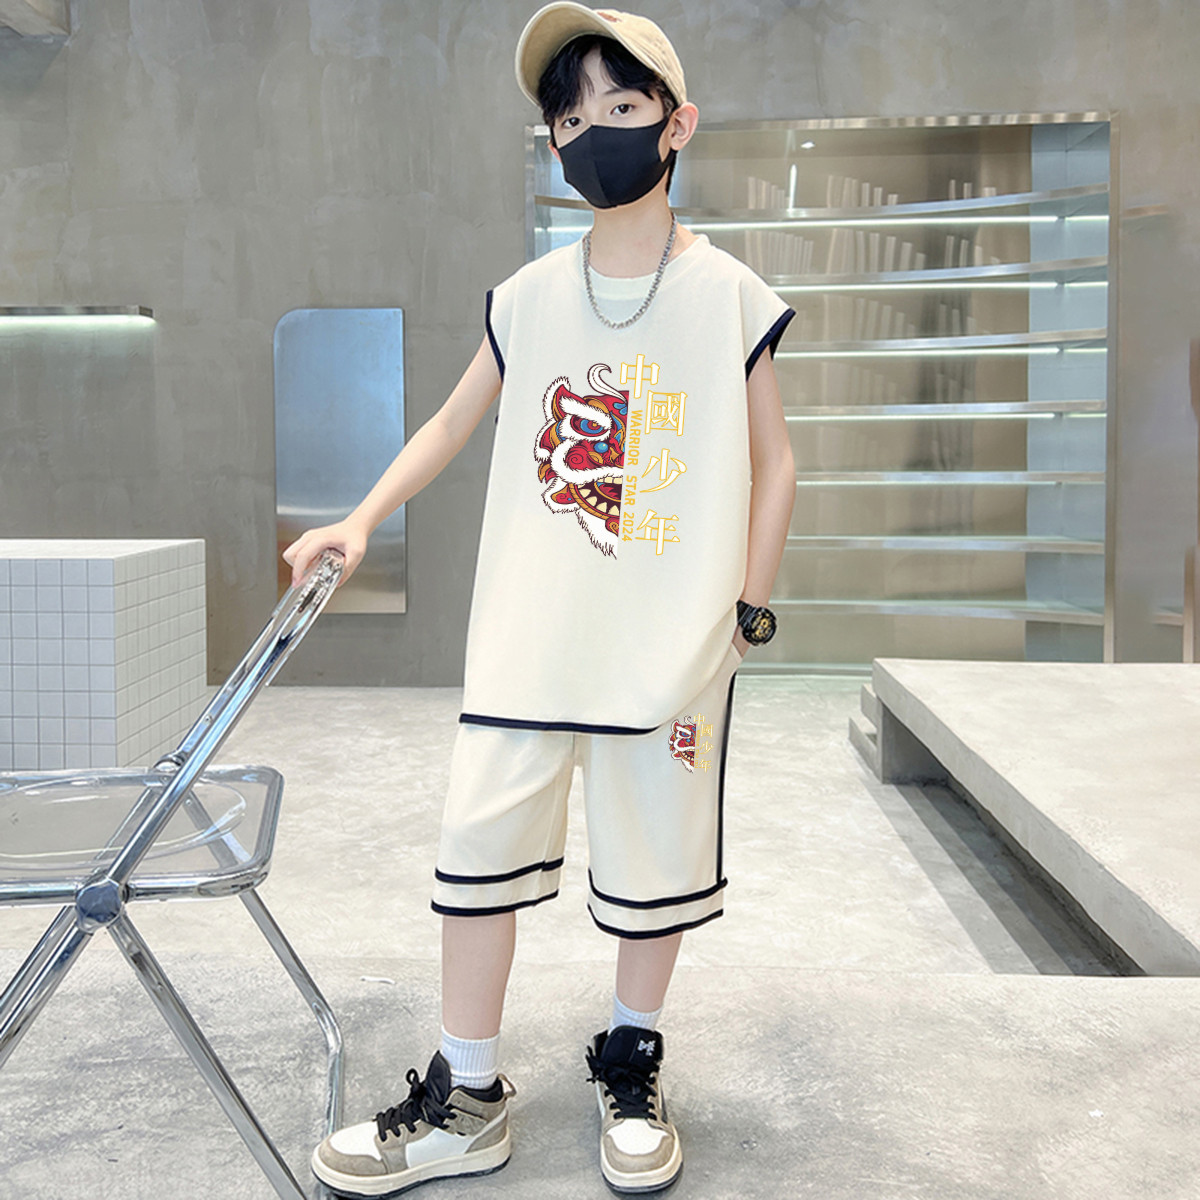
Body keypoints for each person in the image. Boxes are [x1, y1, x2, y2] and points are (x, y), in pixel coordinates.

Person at [286, 4, 795, 1195]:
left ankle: (632, 1059)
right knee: (477, 853)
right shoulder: (524, 298)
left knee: (655, 865)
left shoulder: (730, 294)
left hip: (668, 648)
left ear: (677, 124)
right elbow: (450, 421)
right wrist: (359, 518)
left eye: (620, 107)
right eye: (569, 118)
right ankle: (465, 1096)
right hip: (530, 638)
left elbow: (777, 463)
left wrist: (747, 612)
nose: (592, 133)